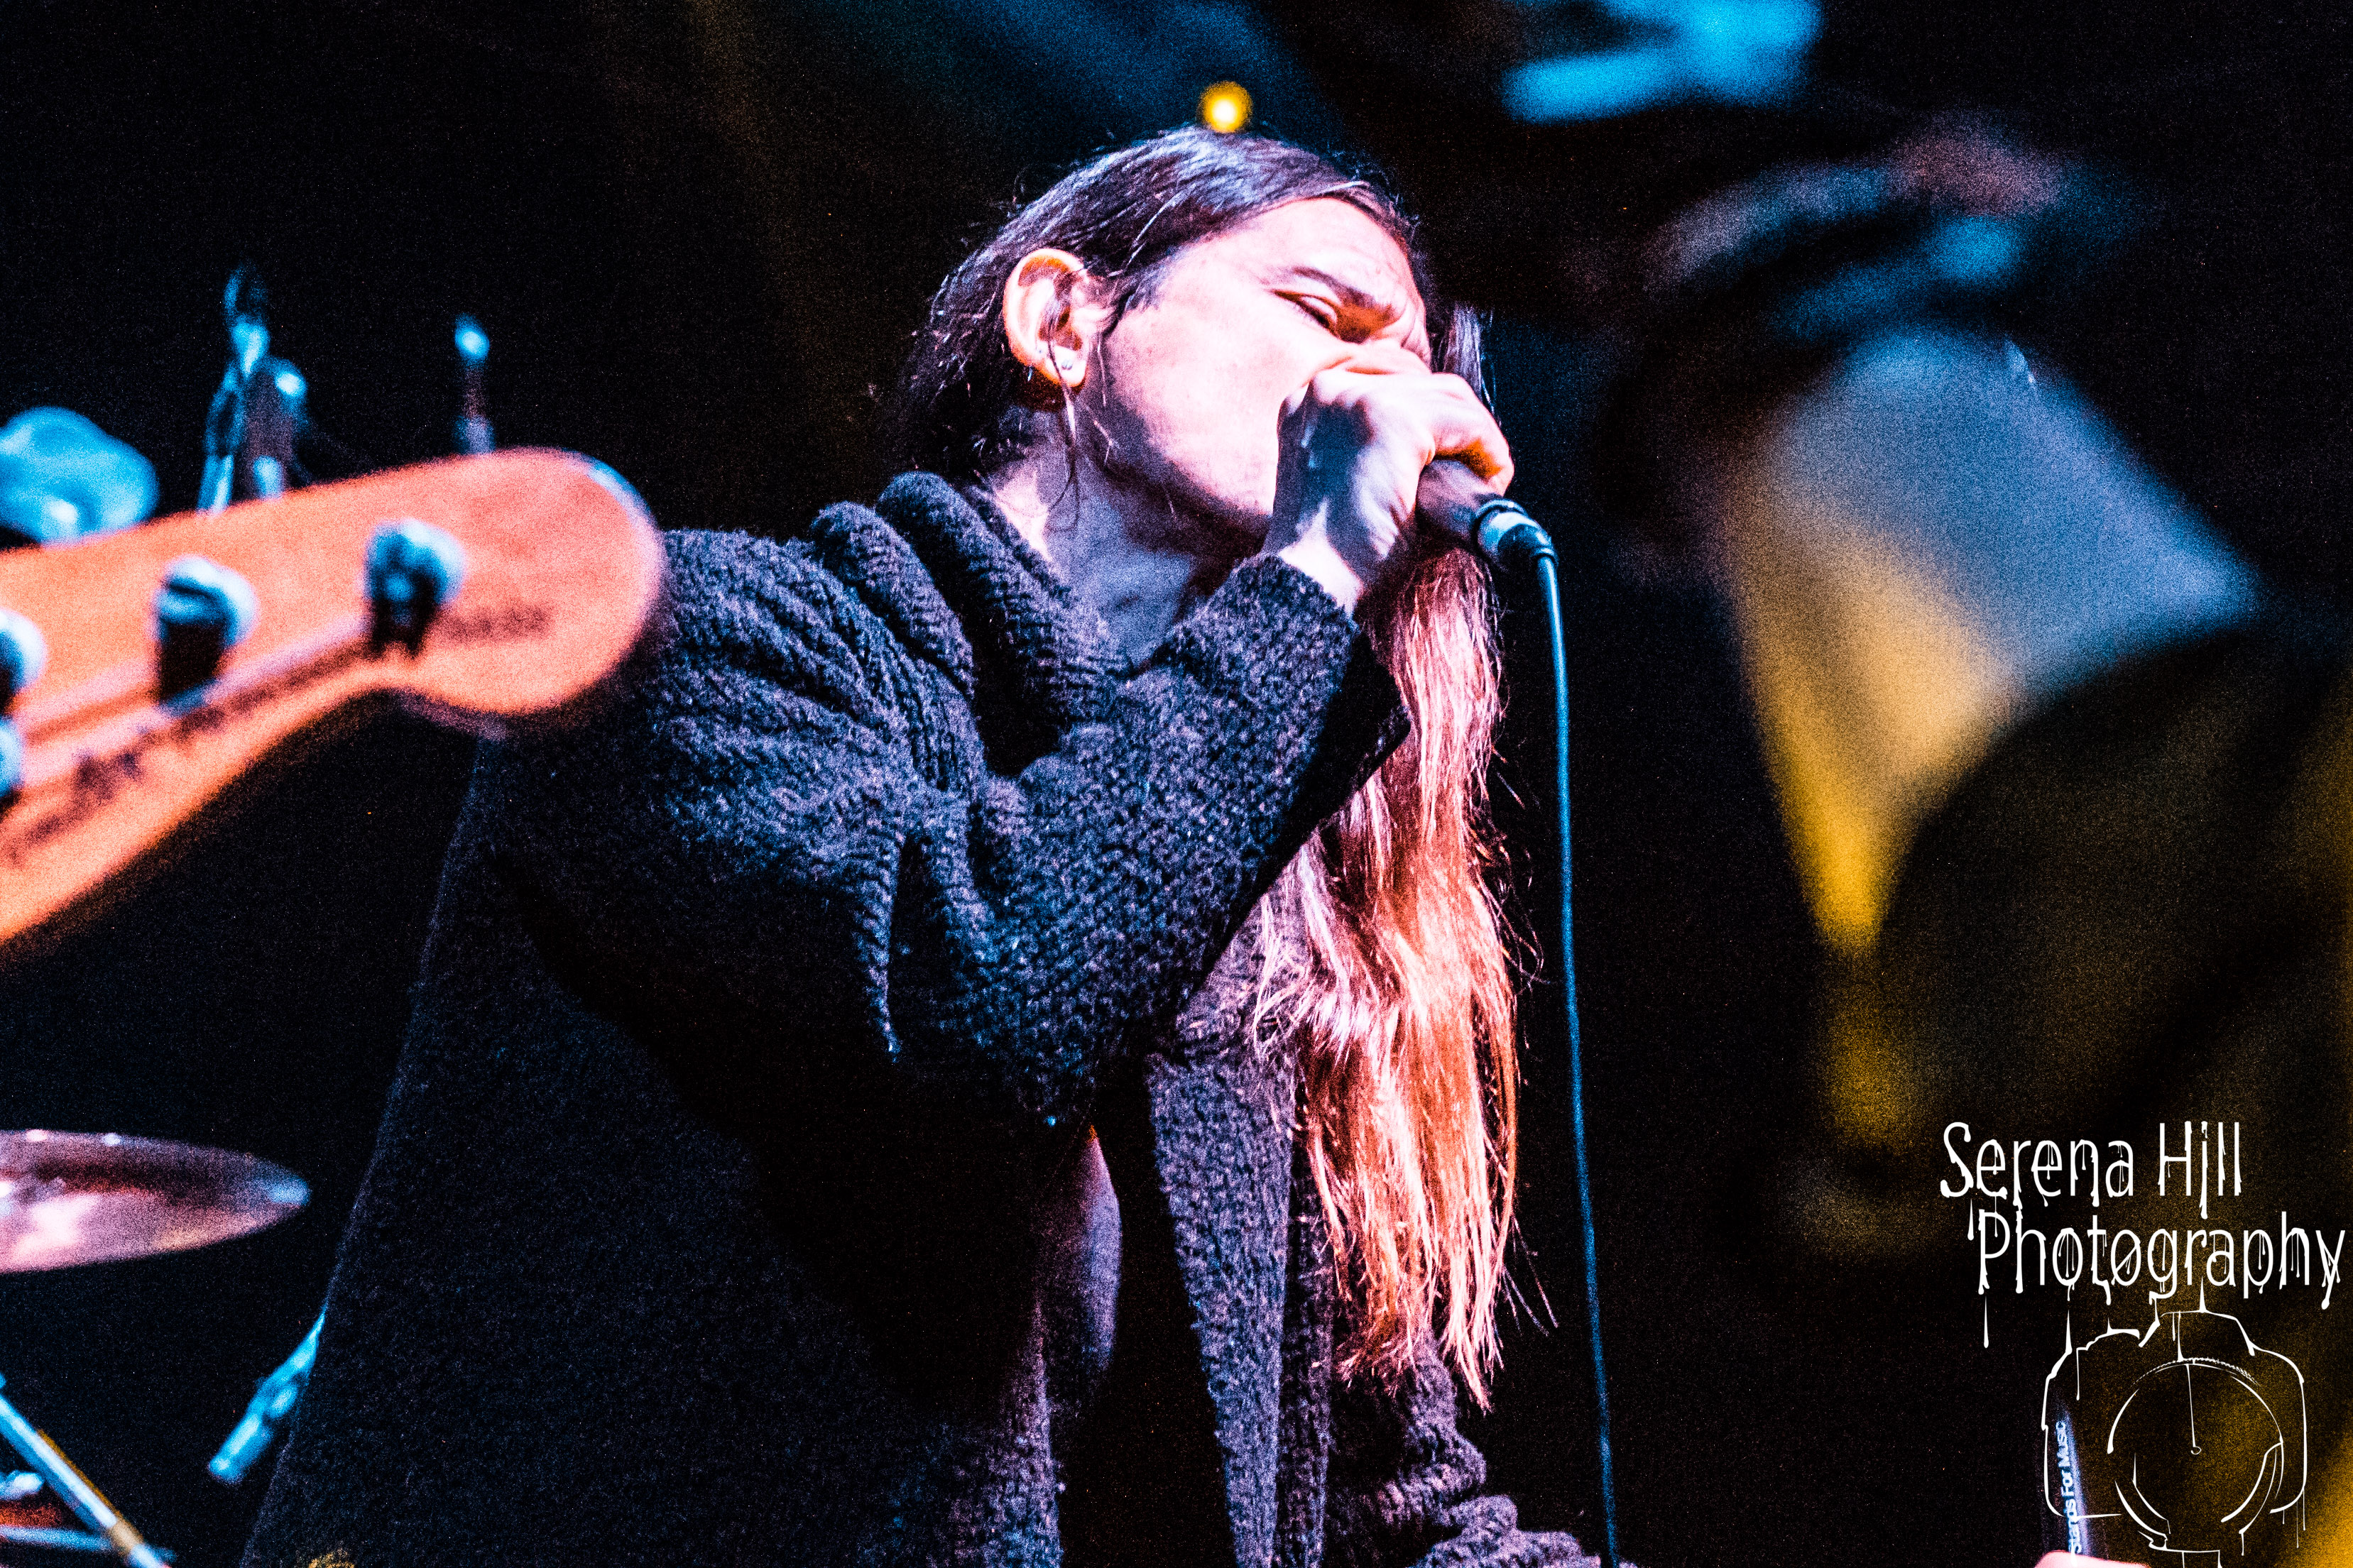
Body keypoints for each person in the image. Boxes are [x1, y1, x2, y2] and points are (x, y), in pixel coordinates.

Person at [241, 128, 1598, 1568]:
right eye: (1326, 317)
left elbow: (1389, 1504)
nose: (1380, 395)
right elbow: (978, 993)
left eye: (1410, 366)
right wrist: (1314, 571)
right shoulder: (704, 640)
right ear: (1061, 319)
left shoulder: (1234, 878)